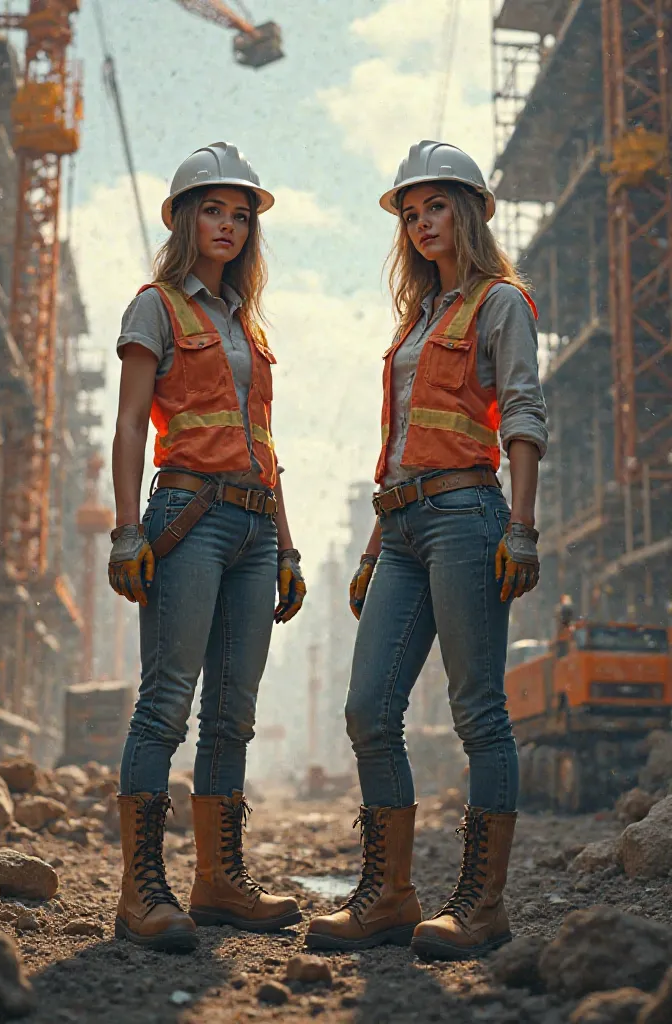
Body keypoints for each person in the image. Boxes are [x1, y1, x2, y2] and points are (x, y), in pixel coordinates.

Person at [306, 141, 547, 959]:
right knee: (368, 709)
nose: (420, 224)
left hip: (467, 517)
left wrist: (523, 525)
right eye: (410, 215)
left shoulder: (501, 303)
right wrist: (374, 547)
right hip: (402, 527)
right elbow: (399, 441)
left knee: (478, 712)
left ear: (469, 211)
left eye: (435, 207)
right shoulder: (417, 320)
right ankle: (389, 895)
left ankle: (482, 907)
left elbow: (521, 412)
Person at [108, 142, 305, 952]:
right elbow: (126, 426)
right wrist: (126, 530)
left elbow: (264, 438)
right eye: (214, 210)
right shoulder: (155, 306)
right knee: (165, 706)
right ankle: (140, 892)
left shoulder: (248, 328)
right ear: (186, 219)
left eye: (241, 214)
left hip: (256, 528)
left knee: (233, 716)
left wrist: (288, 548)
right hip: (186, 519)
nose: (229, 225)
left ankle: (219, 883)